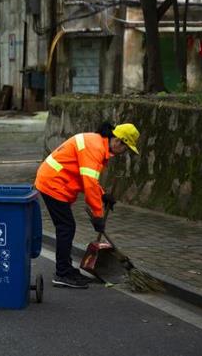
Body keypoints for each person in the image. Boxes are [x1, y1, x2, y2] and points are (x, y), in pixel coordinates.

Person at [34, 122, 140, 289]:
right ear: (119, 141)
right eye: (126, 148)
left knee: (66, 227)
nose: (123, 152)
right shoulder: (95, 148)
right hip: (53, 184)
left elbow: (88, 179)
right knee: (66, 227)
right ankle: (62, 273)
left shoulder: (97, 143)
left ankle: (66, 269)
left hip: (56, 182)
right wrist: (98, 215)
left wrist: (103, 195)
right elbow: (89, 184)